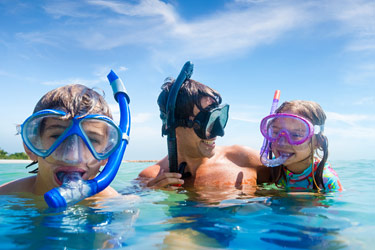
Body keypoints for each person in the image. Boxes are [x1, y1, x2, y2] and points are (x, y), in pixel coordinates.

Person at [138, 77, 270, 192]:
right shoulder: (151, 178)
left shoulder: (243, 159)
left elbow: (288, 181)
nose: (218, 132)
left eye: (216, 119)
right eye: (207, 122)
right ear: (172, 126)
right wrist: (151, 193)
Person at [0, 84, 121, 198]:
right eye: (57, 136)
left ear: (107, 155)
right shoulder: (5, 196)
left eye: (92, 139)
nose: (72, 157)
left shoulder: (115, 204)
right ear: (31, 147)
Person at [259, 100, 343, 192]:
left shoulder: (326, 181)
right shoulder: (270, 170)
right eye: (276, 132)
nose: (282, 142)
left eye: (296, 135)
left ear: (318, 142)